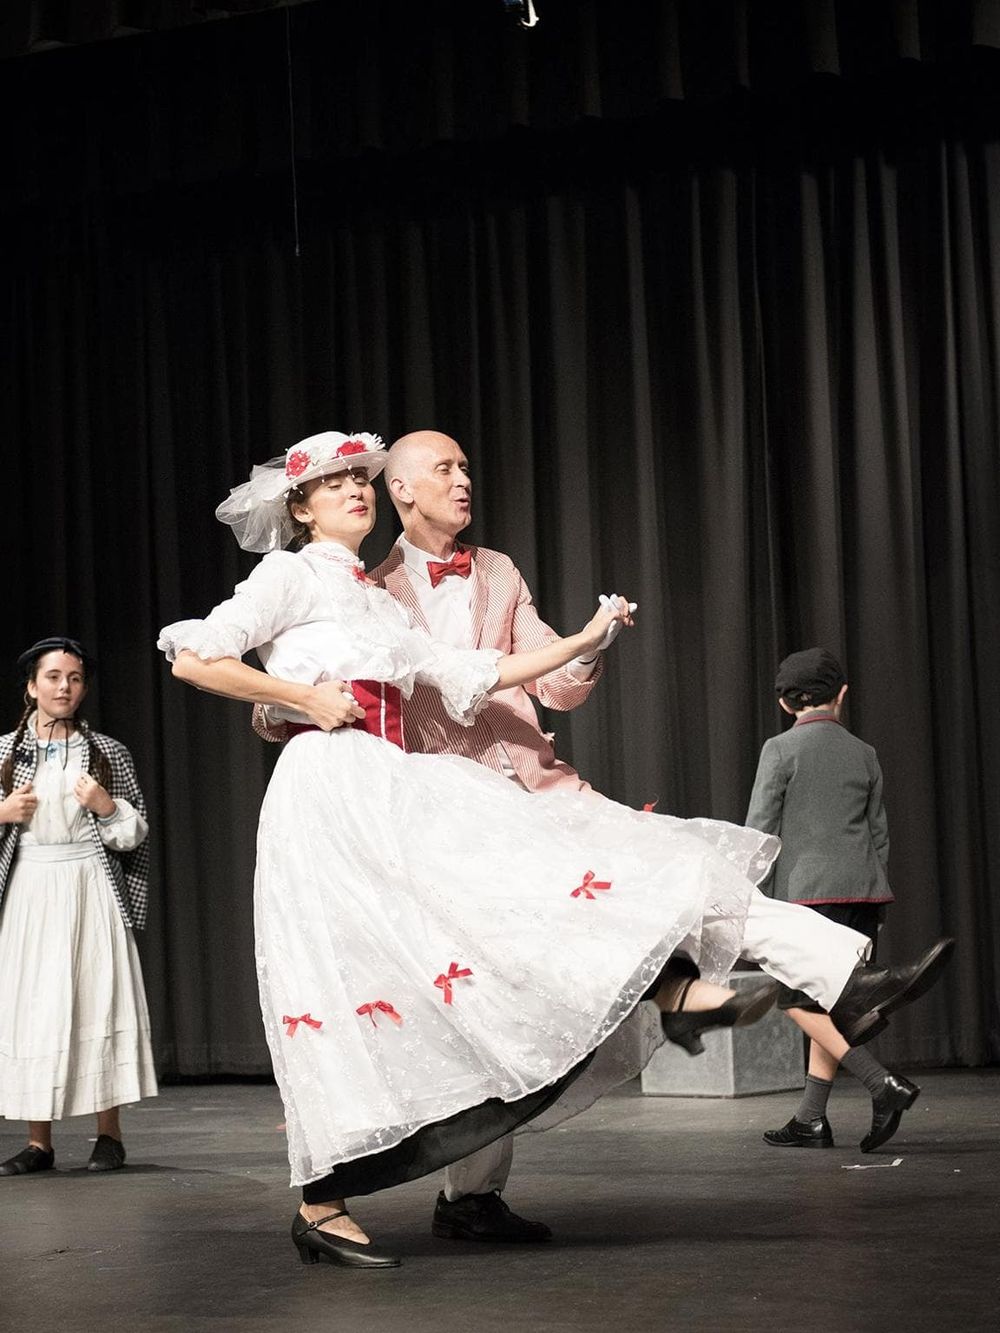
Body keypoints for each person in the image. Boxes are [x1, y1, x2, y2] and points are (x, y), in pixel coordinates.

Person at [159, 431, 951, 1270]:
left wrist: (584, 639)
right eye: (337, 483)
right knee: (348, 977)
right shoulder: (292, 576)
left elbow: (476, 670)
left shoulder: (389, 599)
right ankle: (325, 1200)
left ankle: (741, 987)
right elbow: (196, 656)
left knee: (490, 969)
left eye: (359, 478)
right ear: (303, 504)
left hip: (411, 787)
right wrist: (297, 697)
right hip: (335, 791)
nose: (354, 490)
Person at [746, 648, 919, 1154]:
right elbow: (878, 834)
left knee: (795, 1000)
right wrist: (872, 893)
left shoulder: (780, 750)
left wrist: (749, 895)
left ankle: (881, 1084)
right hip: (863, 894)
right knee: (830, 1003)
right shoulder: (864, 752)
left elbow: (760, 830)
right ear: (842, 695)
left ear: (785, 703)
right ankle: (810, 1119)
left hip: (806, 898)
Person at [0, 638, 157, 1177]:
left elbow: (134, 835)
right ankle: (38, 1142)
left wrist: (107, 807)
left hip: (90, 883)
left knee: (98, 998)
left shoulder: (107, 753)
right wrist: (3, 812)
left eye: (73, 678)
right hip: (30, 887)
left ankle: (108, 1135)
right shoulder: (5, 752)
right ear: (31, 686)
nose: (63, 687)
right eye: (52, 677)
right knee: (34, 1005)